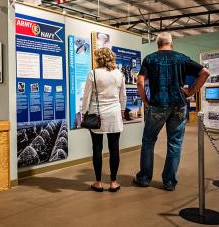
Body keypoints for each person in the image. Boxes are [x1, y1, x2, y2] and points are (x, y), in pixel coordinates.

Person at [134, 32, 210, 191]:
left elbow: (140, 81)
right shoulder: (182, 58)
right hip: (179, 105)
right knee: (175, 143)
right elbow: (205, 73)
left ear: (157, 43)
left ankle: (144, 178)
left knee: (148, 141)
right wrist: (191, 92)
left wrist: (145, 100)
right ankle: (169, 182)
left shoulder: (150, 58)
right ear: (171, 43)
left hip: (157, 105)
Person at [82, 47, 126, 192]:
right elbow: (123, 96)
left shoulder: (93, 74)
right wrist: (122, 110)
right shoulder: (119, 74)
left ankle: (98, 182)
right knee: (114, 149)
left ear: (98, 58)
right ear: (111, 58)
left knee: (97, 148)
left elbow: (87, 96)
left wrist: (84, 112)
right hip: (114, 114)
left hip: (97, 115)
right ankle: (113, 182)